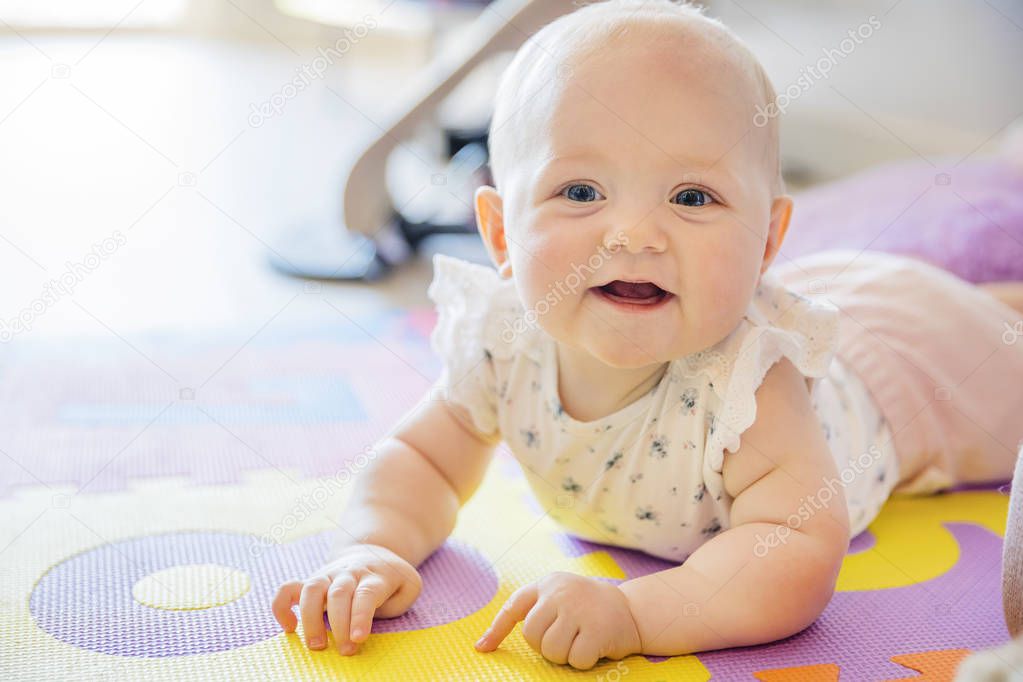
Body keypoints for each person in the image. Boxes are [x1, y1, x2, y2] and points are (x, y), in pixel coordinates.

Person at [272, 0, 1023, 670]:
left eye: (691, 196)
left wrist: (635, 614)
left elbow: (792, 553)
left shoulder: (748, 385)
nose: (632, 234)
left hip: (905, 374)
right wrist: (370, 547)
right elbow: (421, 461)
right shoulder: (504, 340)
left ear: (765, 242)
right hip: (852, 305)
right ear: (500, 232)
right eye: (581, 192)